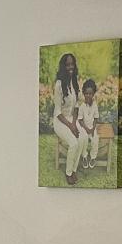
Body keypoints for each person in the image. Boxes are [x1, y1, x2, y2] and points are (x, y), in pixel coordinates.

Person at [50, 52, 83, 182]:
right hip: (60, 121)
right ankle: (68, 173)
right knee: (74, 143)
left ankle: (74, 170)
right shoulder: (59, 84)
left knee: (82, 139)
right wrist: (71, 126)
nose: (70, 67)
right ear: (63, 67)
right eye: (67, 64)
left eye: (72, 64)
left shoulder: (74, 81)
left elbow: (76, 106)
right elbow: (58, 112)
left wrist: (74, 123)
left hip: (71, 119)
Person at [77, 77, 102, 173]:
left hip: (92, 127)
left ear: (93, 94)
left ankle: (93, 157)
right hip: (83, 127)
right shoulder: (82, 107)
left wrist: (92, 128)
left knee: (95, 139)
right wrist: (86, 129)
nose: (88, 95)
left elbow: (96, 118)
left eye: (90, 93)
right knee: (83, 140)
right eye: (86, 93)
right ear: (83, 94)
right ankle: (84, 156)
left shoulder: (95, 105)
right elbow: (80, 120)